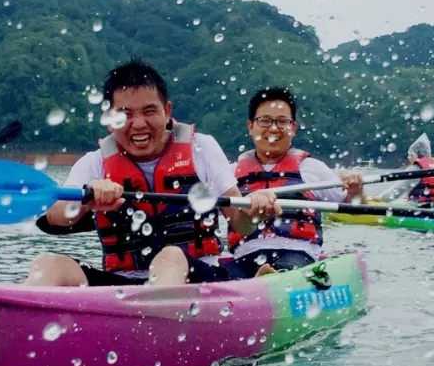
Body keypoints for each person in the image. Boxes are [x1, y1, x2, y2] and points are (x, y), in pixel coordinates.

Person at [26, 60, 279, 287]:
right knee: (48, 264)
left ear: (167, 111)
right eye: (125, 114)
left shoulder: (202, 148)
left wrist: (254, 213)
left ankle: (154, 328)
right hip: (122, 285)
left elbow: (240, 224)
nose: (138, 124)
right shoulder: (94, 164)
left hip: (198, 279)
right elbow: (57, 216)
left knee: (169, 257)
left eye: (149, 111)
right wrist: (86, 201)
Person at [226, 87, 363, 279]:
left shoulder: (312, 168)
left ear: (293, 128)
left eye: (282, 122)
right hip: (244, 257)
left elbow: (349, 204)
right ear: (251, 126)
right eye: (265, 121)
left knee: (286, 269)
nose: (273, 128)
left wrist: (355, 189)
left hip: (297, 255)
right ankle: (258, 280)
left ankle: (268, 279)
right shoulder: (230, 174)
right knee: (223, 274)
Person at [404, 133, 434, 206]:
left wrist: (380, 199)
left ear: (414, 155)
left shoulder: (415, 168)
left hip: (418, 207)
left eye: (410, 155)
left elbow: (396, 191)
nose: (409, 159)